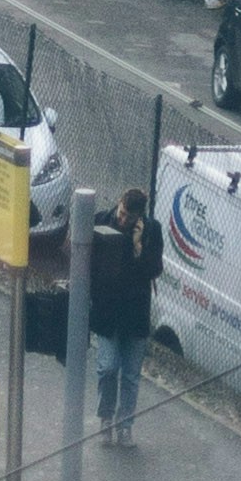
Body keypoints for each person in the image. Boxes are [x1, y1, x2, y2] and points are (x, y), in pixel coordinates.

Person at [87, 188, 159, 445]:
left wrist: (138, 247)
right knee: (107, 368)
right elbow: (89, 262)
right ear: (118, 204)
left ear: (139, 217)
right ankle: (106, 418)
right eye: (122, 213)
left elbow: (155, 269)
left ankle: (124, 424)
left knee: (130, 374)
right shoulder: (101, 221)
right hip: (107, 311)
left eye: (129, 217)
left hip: (134, 313)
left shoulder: (152, 231)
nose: (123, 220)